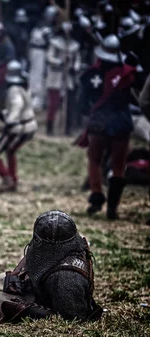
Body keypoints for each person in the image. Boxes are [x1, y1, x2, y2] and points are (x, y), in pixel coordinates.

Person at [0, 210, 103, 322]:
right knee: (0, 281)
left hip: (46, 304)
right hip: (43, 289)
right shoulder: (72, 245)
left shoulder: (66, 279)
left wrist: (32, 312)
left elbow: (74, 318)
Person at [79, 35, 136, 220]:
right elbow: (134, 97)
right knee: (119, 167)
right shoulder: (127, 73)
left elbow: (82, 102)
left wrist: (89, 115)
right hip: (122, 121)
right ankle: (112, 208)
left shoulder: (91, 73)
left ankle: (96, 195)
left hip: (100, 121)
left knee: (95, 159)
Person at [0, 60, 37, 193]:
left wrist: (9, 121)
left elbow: (17, 106)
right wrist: (0, 116)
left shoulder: (13, 90)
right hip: (29, 125)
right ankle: (13, 180)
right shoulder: (23, 88)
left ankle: (7, 179)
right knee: (10, 150)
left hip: (19, 128)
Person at [45, 22, 81, 136]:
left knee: (69, 105)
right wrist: (60, 62)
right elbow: (49, 57)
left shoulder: (75, 45)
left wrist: (74, 67)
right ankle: (50, 128)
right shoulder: (55, 43)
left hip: (68, 78)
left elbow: (77, 60)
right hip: (56, 77)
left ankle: (68, 128)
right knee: (54, 104)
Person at [28, 6, 56, 112]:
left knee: (40, 76)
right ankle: (33, 98)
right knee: (35, 75)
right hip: (36, 53)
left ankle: (39, 100)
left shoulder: (46, 29)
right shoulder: (40, 28)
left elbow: (50, 43)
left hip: (43, 53)